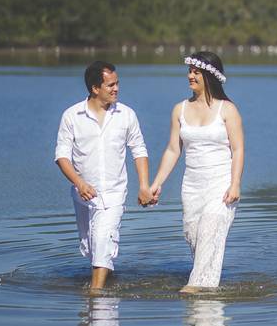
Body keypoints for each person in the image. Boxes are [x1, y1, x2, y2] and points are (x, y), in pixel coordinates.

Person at [148, 51, 243, 292]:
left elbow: (238, 149)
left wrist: (235, 184)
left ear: (209, 75)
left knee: (211, 229)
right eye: (189, 71)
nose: (190, 75)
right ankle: (206, 305)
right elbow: (172, 150)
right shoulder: (179, 109)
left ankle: (195, 287)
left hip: (220, 185)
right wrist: (156, 183)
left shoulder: (227, 110)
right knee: (195, 238)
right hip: (192, 187)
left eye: (196, 72)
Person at [55, 60, 154, 291]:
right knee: (92, 248)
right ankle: (106, 285)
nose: (116, 89)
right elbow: (61, 156)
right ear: (94, 88)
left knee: (103, 239)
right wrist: (79, 183)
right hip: (83, 196)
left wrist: (144, 186)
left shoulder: (126, 115)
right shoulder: (72, 116)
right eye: (110, 85)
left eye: (117, 83)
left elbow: (139, 150)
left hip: (114, 193)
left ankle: (95, 294)